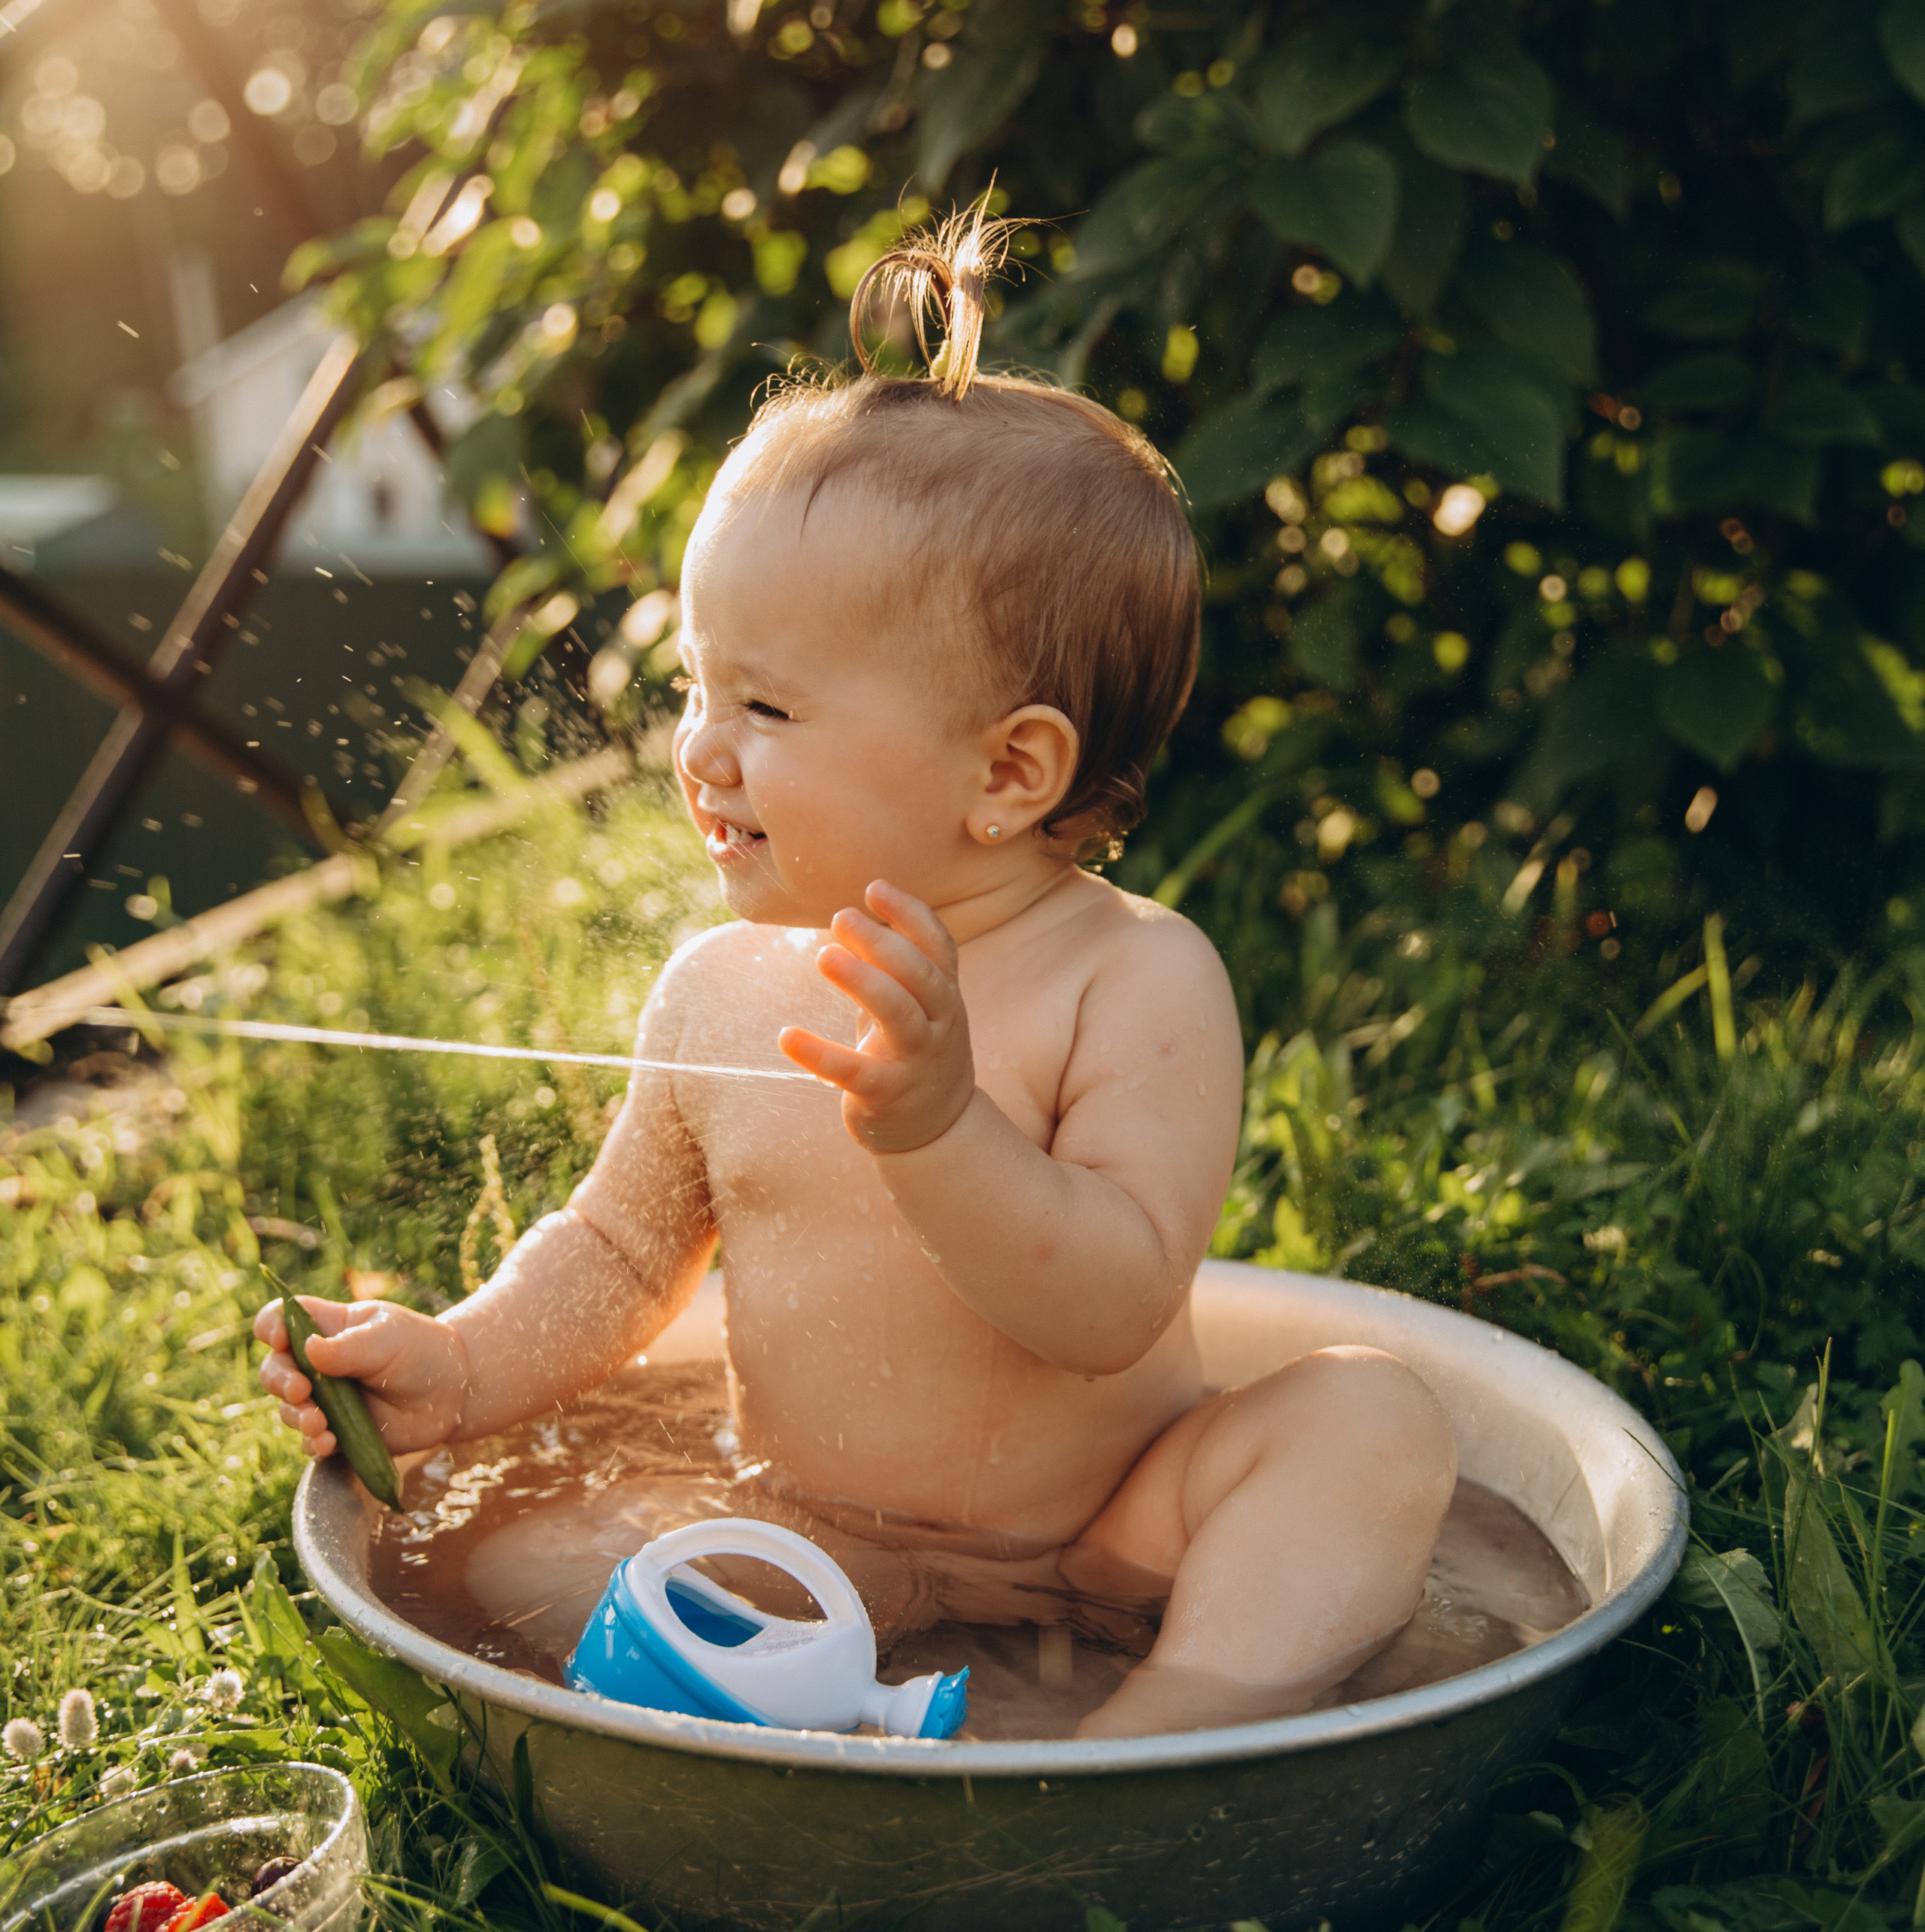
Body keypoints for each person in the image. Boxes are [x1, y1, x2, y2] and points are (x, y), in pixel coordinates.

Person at [256, 208, 1455, 1737]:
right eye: (695, 684)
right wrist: (465, 1364)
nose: (698, 747)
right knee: (516, 1545)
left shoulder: (1132, 981)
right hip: (812, 1545)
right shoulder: (718, 989)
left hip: (1118, 1530)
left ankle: (1167, 1721)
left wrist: (940, 1129)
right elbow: (622, 1259)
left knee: (1368, 1423)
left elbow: (1106, 1304)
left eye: (762, 701)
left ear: (1007, 772)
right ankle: (824, 1712)